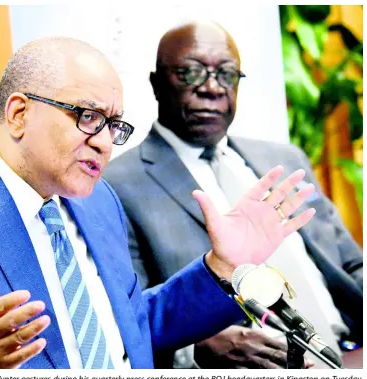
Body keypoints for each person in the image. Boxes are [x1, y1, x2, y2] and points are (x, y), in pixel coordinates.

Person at [0, 37, 316, 370]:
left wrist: (222, 267)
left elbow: (127, 328)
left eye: (114, 125)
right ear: (20, 113)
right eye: (88, 117)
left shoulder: (95, 200)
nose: (106, 143)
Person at [104, 22, 363, 369]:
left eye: (226, 74)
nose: (211, 88)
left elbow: (351, 266)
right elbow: (130, 319)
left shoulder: (285, 160)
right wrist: (194, 347)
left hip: (352, 350)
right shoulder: (115, 185)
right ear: (156, 83)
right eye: (190, 73)